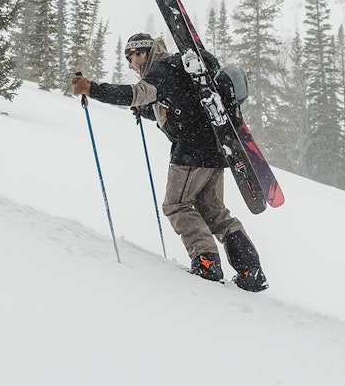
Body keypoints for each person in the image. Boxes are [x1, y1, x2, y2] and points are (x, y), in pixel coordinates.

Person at [71, 34, 268, 293]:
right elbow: (182, 106)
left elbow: (135, 93)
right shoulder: (179, 68)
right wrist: (144, 111)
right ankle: (250, 270)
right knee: (215, 212)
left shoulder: (162, 69)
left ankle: (206, 262)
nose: (131, 65)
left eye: (130, 58)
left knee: (177, 205)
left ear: (142, 53)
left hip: (191, 153)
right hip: (217, 149)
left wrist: (92, 88)